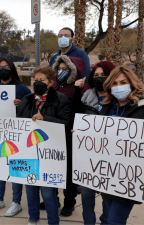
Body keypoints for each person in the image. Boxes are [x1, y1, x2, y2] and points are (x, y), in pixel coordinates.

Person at [16, 65, 71, 225]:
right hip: (29, 153)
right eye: (36, 80)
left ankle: (53, 222)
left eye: (42, 80)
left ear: (51, 82)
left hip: (49, 155)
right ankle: (33, 219)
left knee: (48, 194)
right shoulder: (27, 99)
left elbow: (66, 123)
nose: (38, 83)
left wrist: (45, 119)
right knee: (31, 190)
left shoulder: (59, 99)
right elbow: (17, 124)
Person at [0, 58, 31, 217]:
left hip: (15, 134)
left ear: (12, 69)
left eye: (6, 66)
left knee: (15, 168)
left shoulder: (22, 88)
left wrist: (22, 104)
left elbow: (32, 108)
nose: (3, 69)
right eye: (0, 67)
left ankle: (16, 202)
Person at [71, 61, 115, 224]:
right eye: (96, 75)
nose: (99, 78)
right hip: (88, 156)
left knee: (107, 196)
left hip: (110, 157)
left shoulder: (117, 100)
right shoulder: (87, 96)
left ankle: (105, 221)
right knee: (87, 194)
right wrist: (76, 90)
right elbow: (76, 114)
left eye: (103, 75)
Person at [98, 65, 143, 224]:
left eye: (123, 82)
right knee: (105, 218)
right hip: (108, 174)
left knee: (115, 220)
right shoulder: (106, 107)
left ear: (132, 83)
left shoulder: (142, 109)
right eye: (114, 84)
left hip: (128, 178)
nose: (118, 87)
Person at [50, 55, 89, 216]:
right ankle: (52, 199)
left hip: (70, 135)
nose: (61, 71)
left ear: (74, 71)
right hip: (52, 134)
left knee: (68, 173)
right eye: (59, 68)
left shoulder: (82, 88)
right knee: (51, 167)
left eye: (65, 69)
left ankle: (69, 202)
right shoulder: (54, 85)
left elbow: (84, 112)